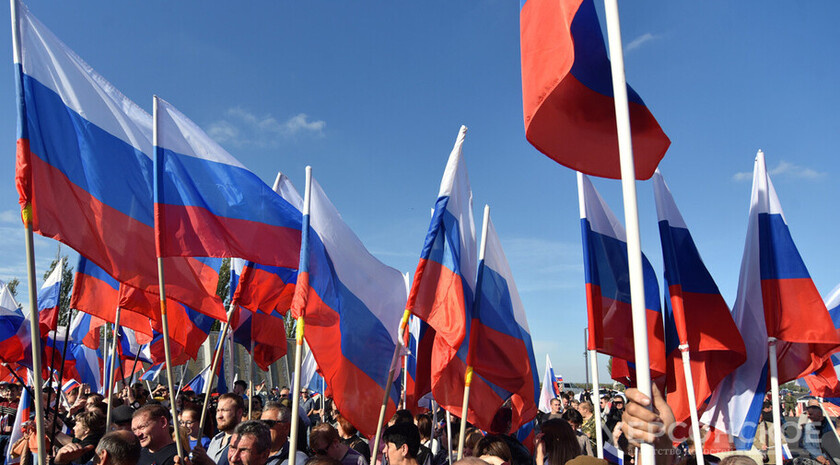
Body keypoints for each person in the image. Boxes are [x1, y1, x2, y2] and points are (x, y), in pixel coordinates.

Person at [204, 394, 245, 465]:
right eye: (218, 410)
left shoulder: (244, 442)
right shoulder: (215, 440)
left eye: (225, 410)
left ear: (239, 413)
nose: (219, 416)